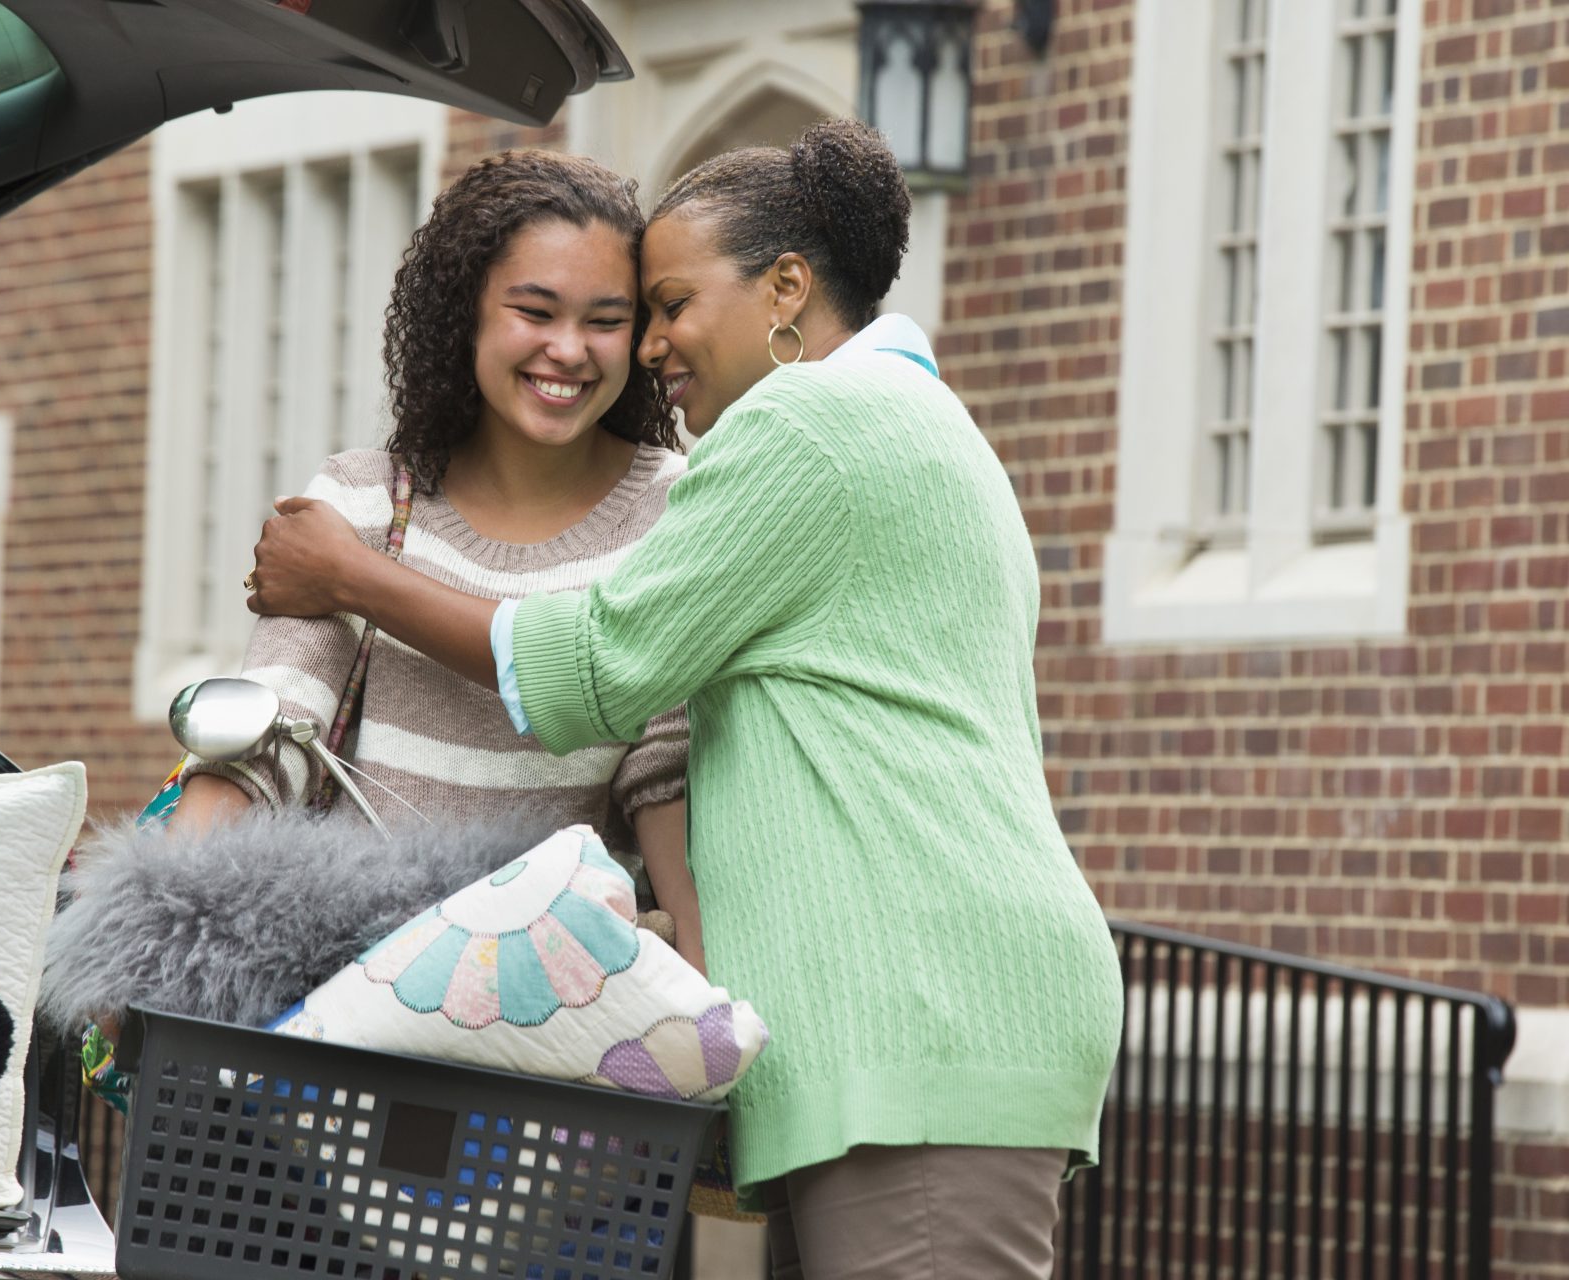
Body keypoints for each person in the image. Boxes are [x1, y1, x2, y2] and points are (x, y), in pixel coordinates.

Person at [244, 119, 1124, 1278]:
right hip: (923, 1020)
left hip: (921, 1014)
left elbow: (597, 669)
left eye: (665, 303)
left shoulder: (807, 425)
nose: (651, 345)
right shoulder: (910, 420)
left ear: (787, 288)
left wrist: (351, 575)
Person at [175, 149, 703, 966]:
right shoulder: (360, 500)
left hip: (555, 1004)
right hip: (354, 988)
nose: (570, 350)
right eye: (535, 311)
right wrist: (164, 923)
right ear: (467, 313)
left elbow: (663, 776)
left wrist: (702, 1004)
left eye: (606, 321)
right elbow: (269, 737)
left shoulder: (676, 507)